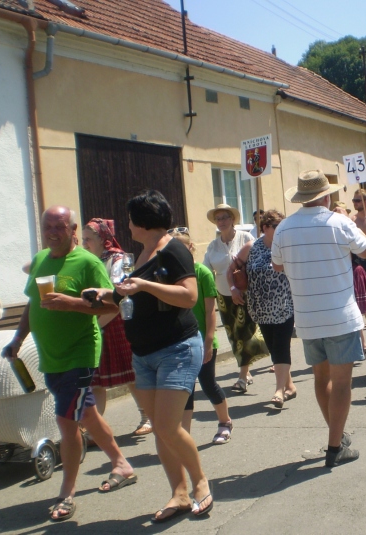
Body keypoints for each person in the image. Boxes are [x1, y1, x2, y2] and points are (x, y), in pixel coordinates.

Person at [3, 206, 136, 522]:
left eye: (59, 226)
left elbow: (110, 304)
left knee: (66, 420)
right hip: (51, 355)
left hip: (80, 353)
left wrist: (72, 304)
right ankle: (121, 464)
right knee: (86, 413)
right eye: (47, 225)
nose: (52, 231)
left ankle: (67, 492)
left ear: (73, 229)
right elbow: (32, 306)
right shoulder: (40, 261)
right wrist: (18, 340)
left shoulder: (88, 262)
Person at [85, 191, 212, 522]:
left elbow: (188, 296)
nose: (127, 225)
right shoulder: (142, 253)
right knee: (161, 429)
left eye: (130, 219)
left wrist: (143, 286)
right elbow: (134, 295)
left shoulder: (174, 249)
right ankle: (179, 494)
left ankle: (200, 484)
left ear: (143, 221)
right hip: (144, 353)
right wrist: (107, 295)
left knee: (169, 427)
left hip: (177, 349)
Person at [272, 170, 366, 467]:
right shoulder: (338, 222)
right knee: (341, 383)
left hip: (306, 316)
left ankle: (336, 436)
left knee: (321, 379)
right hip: (339, 315)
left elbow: (277, 266)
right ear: (326, 196)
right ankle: (334, 446)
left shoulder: (284, 228)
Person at [81, 219, 150, 437]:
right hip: (96, 321)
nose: (84, 244)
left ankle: (147, 417)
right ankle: (94, 429)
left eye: (88, 239)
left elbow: (117, 291)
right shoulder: (89, 260)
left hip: (115, 320)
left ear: (103, 238)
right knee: (96, 380)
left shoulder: (118, 259)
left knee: (131, 376)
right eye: (83, 239)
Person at [170, 228, 233, 445]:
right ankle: (184, 435)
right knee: (185, 389)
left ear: (191, 248)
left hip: (203, 341)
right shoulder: (170, 277)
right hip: (180, 342)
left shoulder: (202, 273)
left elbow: (209, 312)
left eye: (182, 247)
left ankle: (225, 421)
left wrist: (208, 342)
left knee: (208, 384)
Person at [229, 210, 297, 408]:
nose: (280, 230)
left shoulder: (286, 246)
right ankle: (290, 385)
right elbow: (231, 269)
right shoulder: (252, 247)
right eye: (276, 226)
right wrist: (234, 289)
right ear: (265, 228)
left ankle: (279, 391)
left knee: (282, 347)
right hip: (259, 306)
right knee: (274, 347)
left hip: (284, 305)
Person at [203, 204, 268, 393]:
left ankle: (242, 376)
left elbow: (256, 262)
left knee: (243, 332)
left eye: (225, 217)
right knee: (232, 334)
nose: (221, 222)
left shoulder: (245, 238)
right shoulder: (213, 245)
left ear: (232, 219)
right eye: (218, 219)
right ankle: (246, 370)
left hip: (243, 293)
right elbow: (207, 270)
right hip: (223, 296)